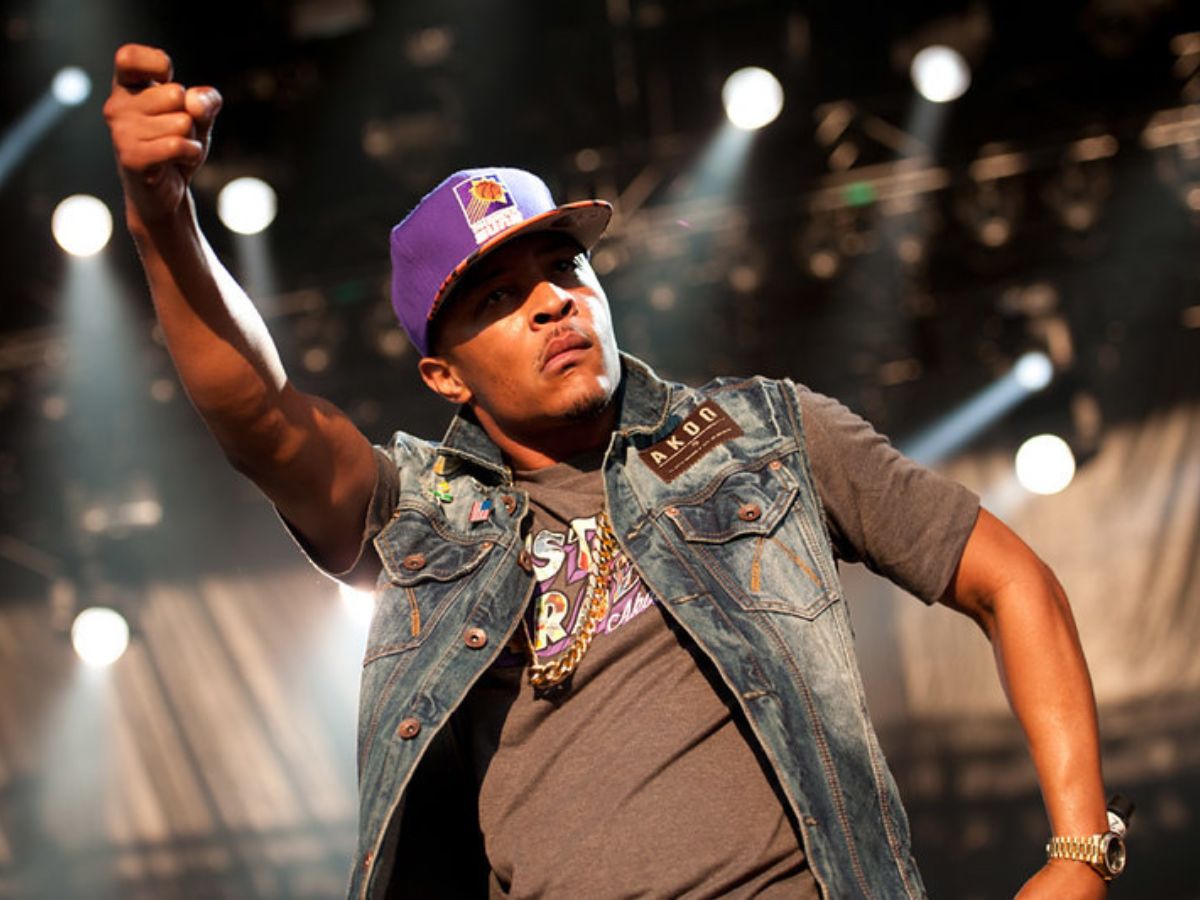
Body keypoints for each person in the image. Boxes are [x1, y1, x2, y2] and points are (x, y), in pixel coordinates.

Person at [104, 43, 1121, 899]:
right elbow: (259, 416)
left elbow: (1011, 580)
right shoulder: (422, 517)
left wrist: (1080, 854)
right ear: (444, 376)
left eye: (564, 268)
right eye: (498, 298)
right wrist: (162, 216)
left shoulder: (763, 430)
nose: (552, 302)